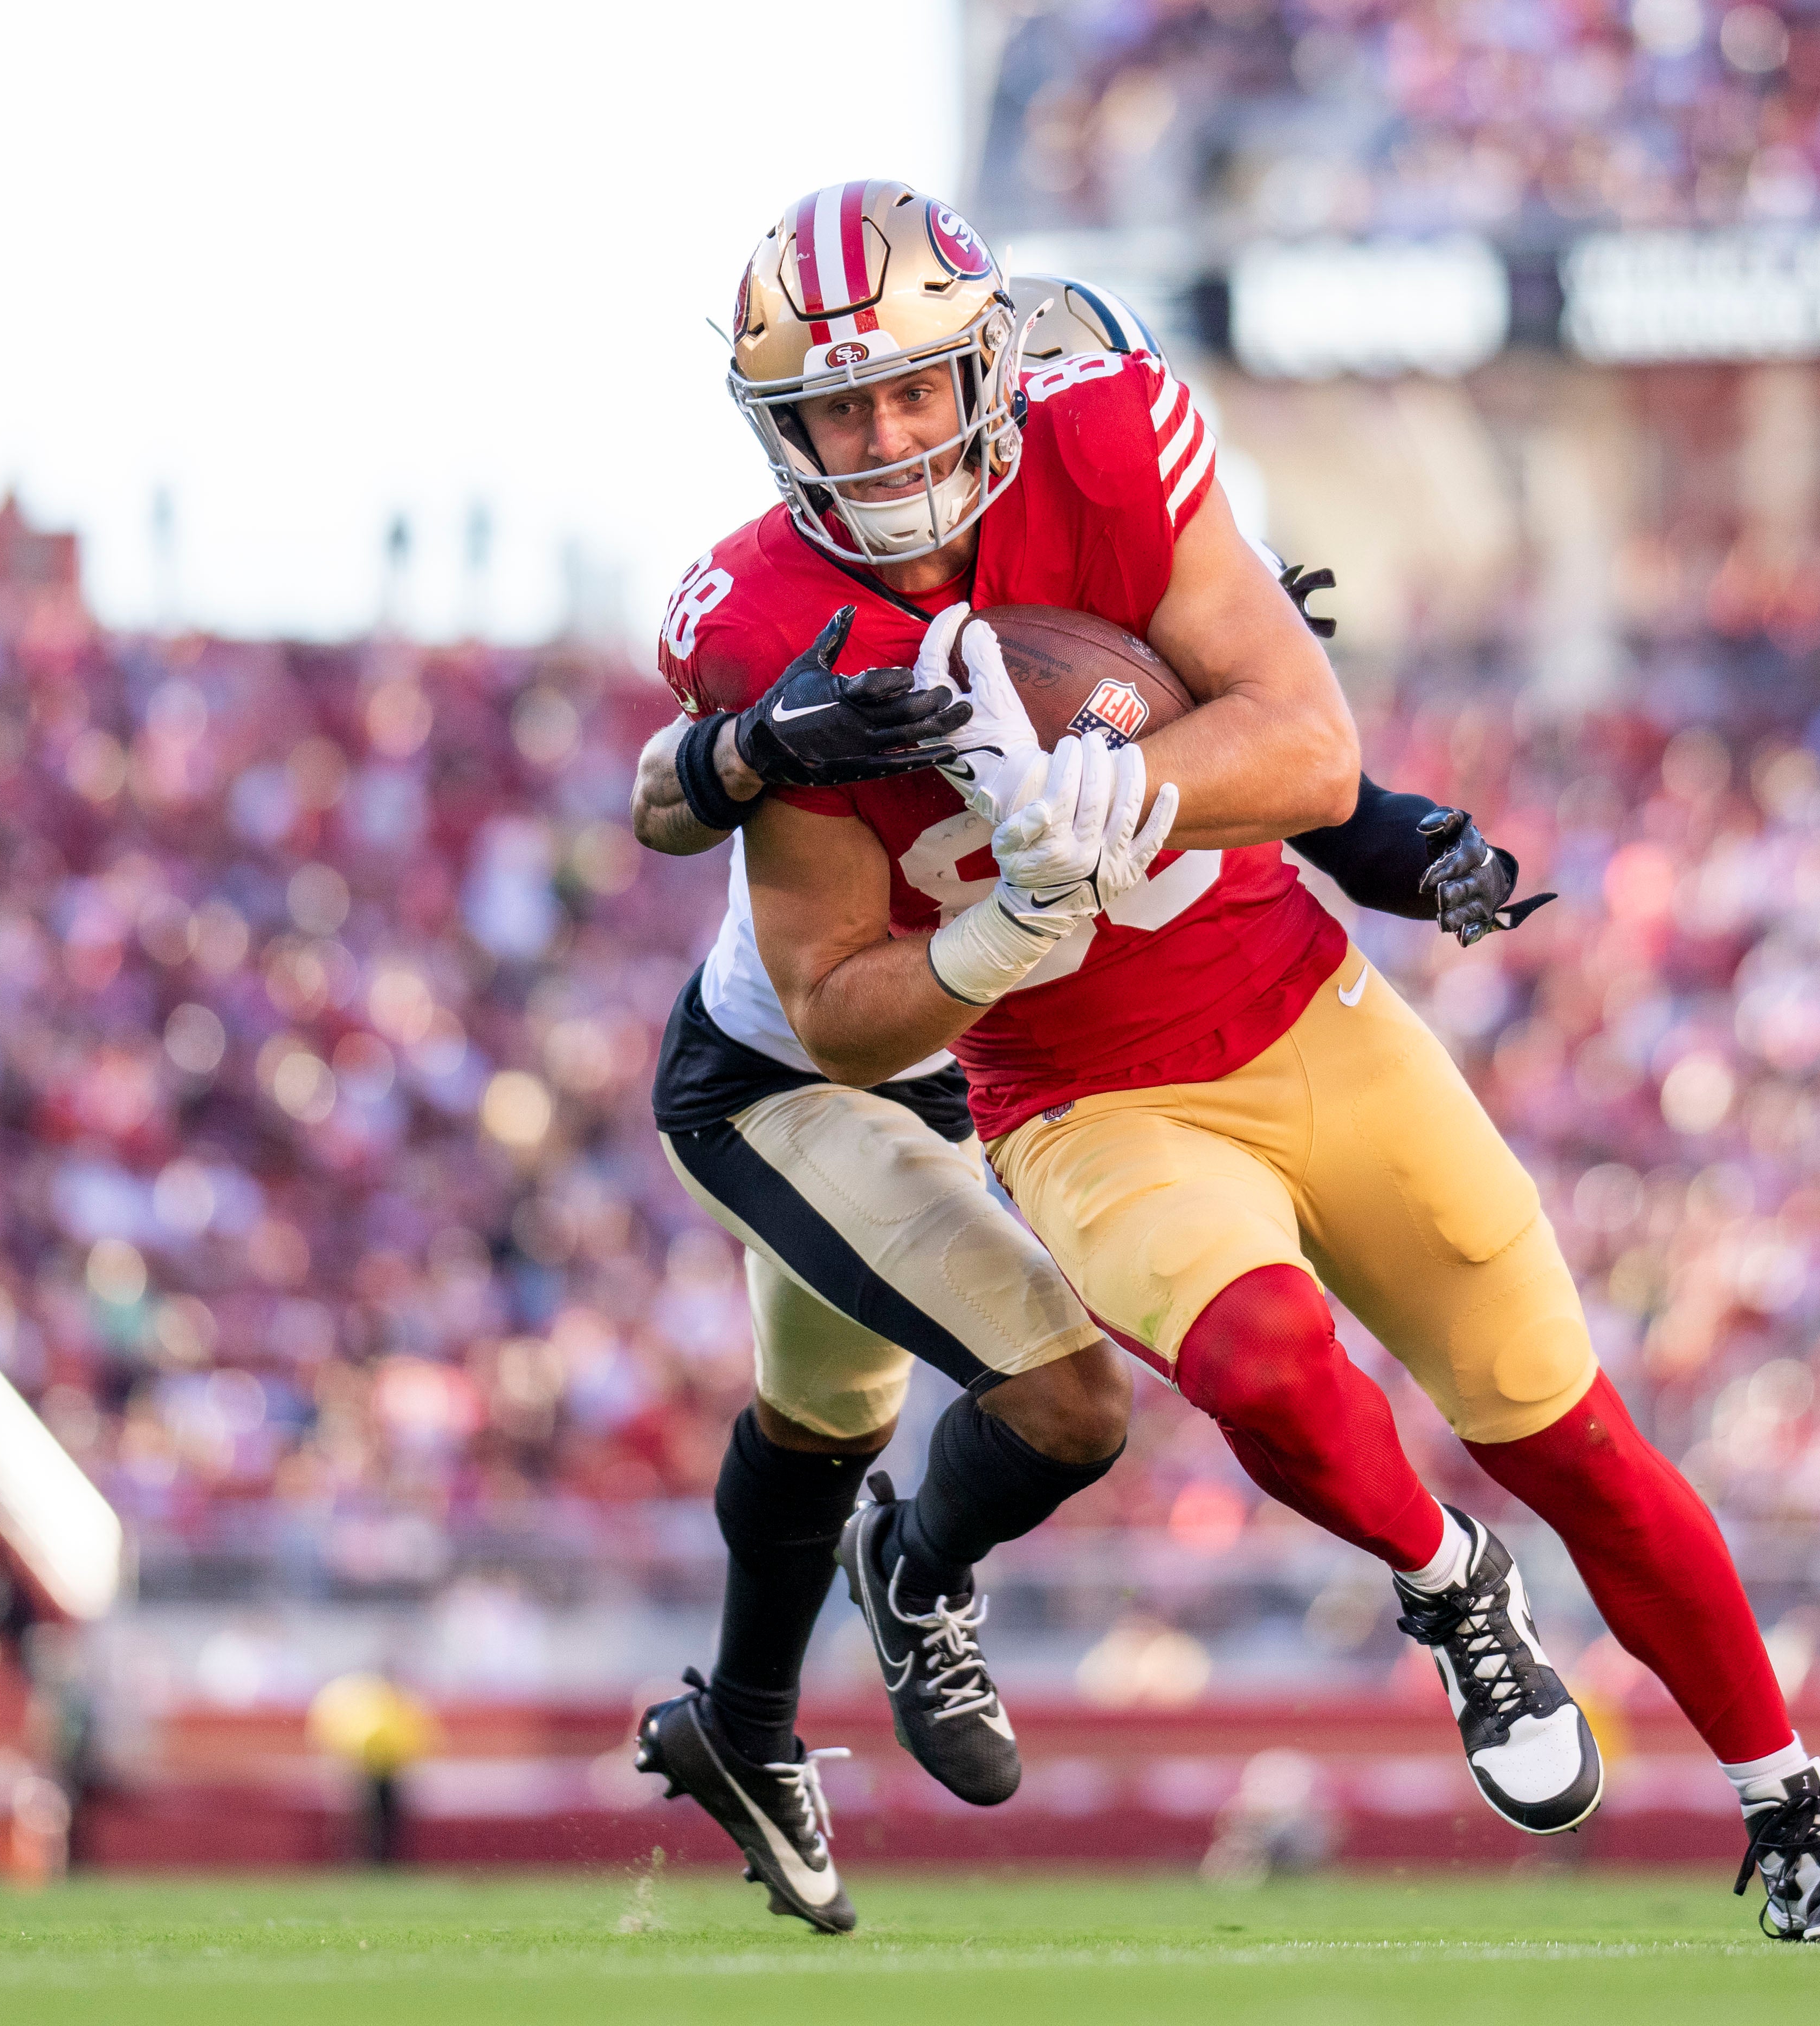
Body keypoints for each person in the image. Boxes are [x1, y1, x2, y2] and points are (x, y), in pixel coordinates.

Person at [688, 179, 1820, 1944]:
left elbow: (1306, 743)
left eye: (912, 388)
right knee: (1260, 1356)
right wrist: (984, 931)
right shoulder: (762, 624)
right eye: (837, 407)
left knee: (1569, 1429)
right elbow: (828, 1001)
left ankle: (1796, 1810)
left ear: (994, 363)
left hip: (1294, 1006)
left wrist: (1129, 792)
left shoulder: (1108, 442)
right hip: (1076, 1085)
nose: (884, 441)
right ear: (778, 429)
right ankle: (1450, 1596)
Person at [627, 269, 1543, 1934]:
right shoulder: (801, 606)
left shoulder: (1125, 552)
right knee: (1059, 1402)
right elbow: (666, 800)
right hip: (800, 1065)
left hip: (968, 1065)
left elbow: (1284, 785)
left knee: (821, 1412)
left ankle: (747, 1726)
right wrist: (758, 746)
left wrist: (1417, 843)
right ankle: (911, 1584)